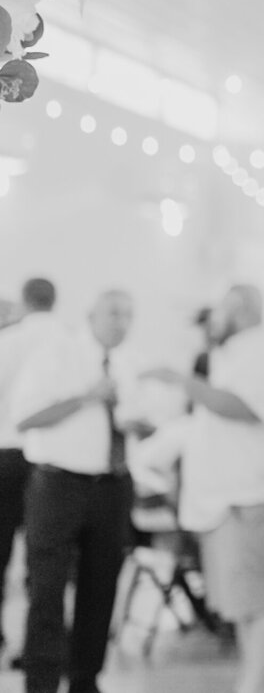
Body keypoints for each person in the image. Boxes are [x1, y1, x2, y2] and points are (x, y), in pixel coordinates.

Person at [143, 285, 264, 693]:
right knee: (242, 603)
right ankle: (252, 681)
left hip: (252, 495)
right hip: (228, 496)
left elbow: (244, 408)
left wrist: (183, 382)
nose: (214, 318)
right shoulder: (232, 355)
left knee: (259, 599)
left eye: (221, 310)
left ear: (243, 311)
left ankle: (254, 684)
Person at [11, 290, 138, 693]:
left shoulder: (129, 364)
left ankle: (86, 678)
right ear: (91, 314)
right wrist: (87, 398)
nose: (122, 323)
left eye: (128, 316)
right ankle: (41, 681)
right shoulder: (58, 354)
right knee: (47, 587)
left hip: (112, 485)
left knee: (101, 586)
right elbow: (26, 417)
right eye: (114, 313)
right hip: (59, 485)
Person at [0, 277, 62, 666]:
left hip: (6, 453)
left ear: (24, 302)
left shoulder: (9, 341)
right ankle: (38, 647)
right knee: (46, 558)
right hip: (51, 459)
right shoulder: (69, 341)